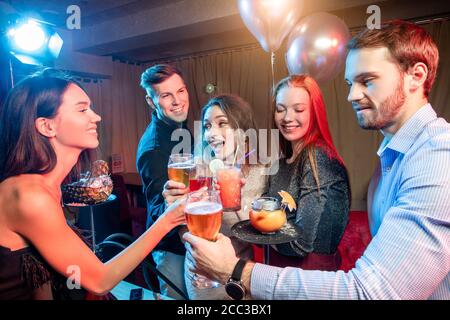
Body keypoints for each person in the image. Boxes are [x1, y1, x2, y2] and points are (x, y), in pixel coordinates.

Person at [184, 20, 450, 299]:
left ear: (417, 75)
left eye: (367, 81)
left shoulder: (436, 155)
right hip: (284, 278)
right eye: (350, 83)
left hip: (309, 278)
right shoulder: (390, 151)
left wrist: (237, 268)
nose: (351, 95)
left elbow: (368, 288)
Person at [0, 69, 186, 300]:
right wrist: (167, 220)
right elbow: (99, 281)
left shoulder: (47, 186)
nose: (96, 117)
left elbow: (39, 276)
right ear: (46, 126)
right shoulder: (29, 195)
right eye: (82, 109)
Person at [163, 94, 267, 299]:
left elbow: (263, 233)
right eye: (207, 126)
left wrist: (236, 200)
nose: (211, 133)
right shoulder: (197, 171)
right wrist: (172, 204)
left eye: (222, 123)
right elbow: (182, 228)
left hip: (242, 273)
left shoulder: (260, 173)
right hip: (201, 276)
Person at [261, 74, 350, 271]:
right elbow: (262, 215)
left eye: (298, 109)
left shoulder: (317, 157)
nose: (287, 118)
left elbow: (299, 244)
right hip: (276, 271)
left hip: (310, 277)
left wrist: (265, 234)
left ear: (314, 112)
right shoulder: (279, 165)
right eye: (280, 109)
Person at [136, 64, 193, 299]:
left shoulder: (181, 127)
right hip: (171, 250)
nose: (177, 101)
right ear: (151, 102)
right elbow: (158, 209)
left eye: (180, 91)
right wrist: (171, 201)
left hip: (191, 242)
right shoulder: (154, 149)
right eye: (166, 95)